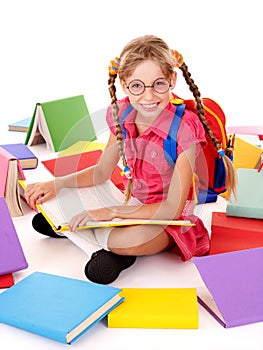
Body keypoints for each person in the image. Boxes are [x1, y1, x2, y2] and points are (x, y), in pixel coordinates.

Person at [25, 35, 236, 284]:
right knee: (64, 201)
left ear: (172, 80)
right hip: (131, 203)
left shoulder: (183, 129)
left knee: (126, 240)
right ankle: (79, 227)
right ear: (124, 85)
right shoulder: (123, 114)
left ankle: (107, 246)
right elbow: (102, 171)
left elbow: (172, 208)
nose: (148, 96)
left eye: (159, 84)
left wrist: (111, 212)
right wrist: (56, 184)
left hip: (167, 219)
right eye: (137, 86)